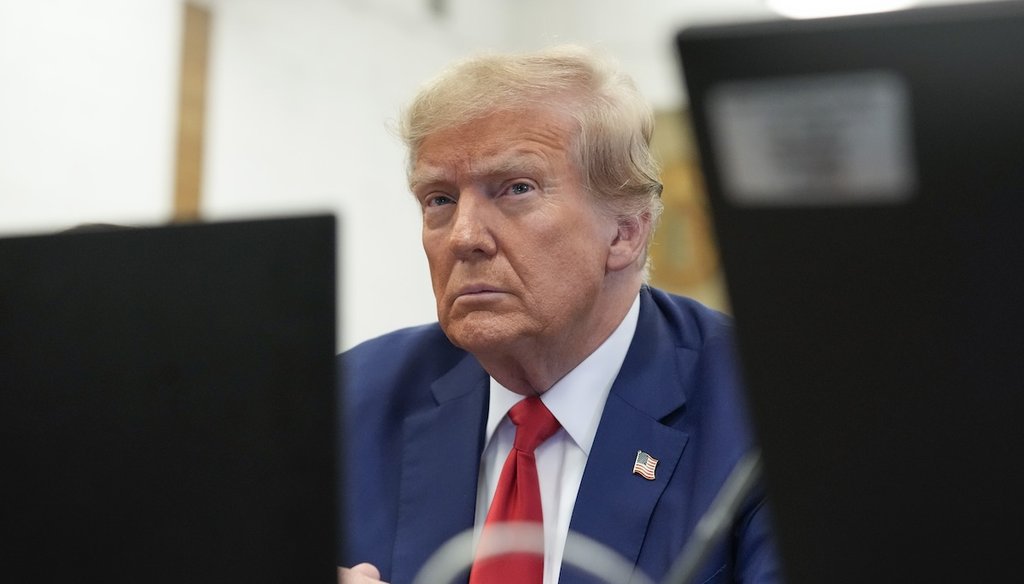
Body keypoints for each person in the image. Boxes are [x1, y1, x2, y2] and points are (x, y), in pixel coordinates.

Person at [338, 45, 778, 584]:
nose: (465, 236)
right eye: (439, 200)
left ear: (626, 231)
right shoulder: (345, 401)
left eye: (516, 189)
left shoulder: (764, 403)